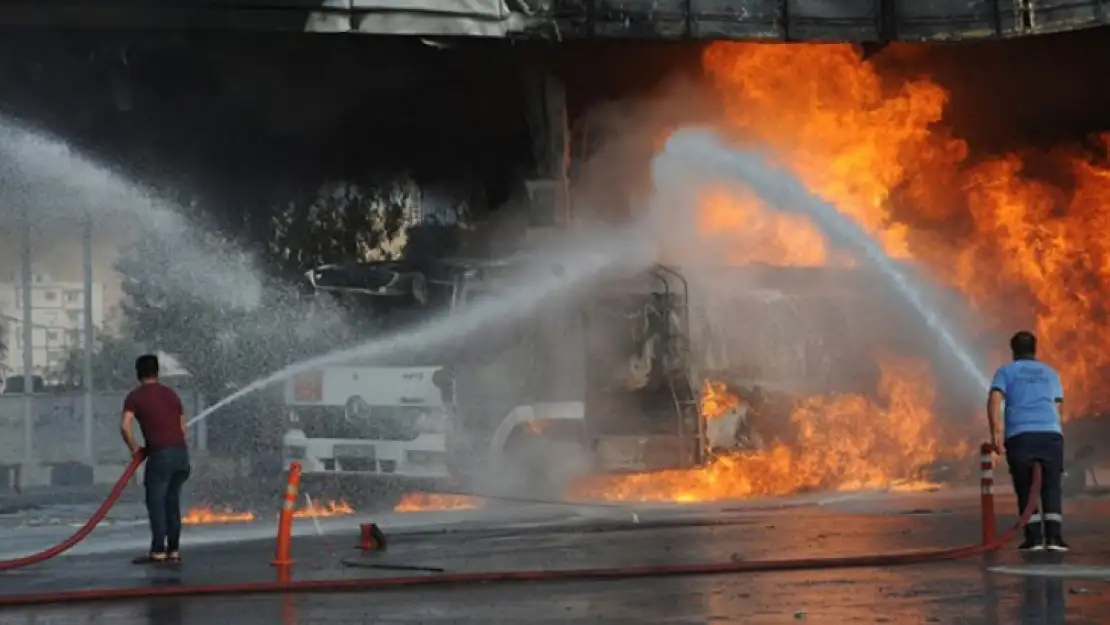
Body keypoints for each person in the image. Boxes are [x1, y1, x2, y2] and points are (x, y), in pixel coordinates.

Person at [987, 331, 1068, 552]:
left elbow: (995, 399)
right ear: (1035, 349)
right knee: (1051, 487)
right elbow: (1058, 405)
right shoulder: (1051, 373)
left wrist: (996, 434)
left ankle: (1033, 539)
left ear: (1013, 350)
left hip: (1020, 436)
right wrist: (1055, 430)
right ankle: (1054, 538)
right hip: (1051, 435)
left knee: (1025, 487)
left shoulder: (1005, 371)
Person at [120, 354, 191, 564]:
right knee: (172, 502)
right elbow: (182, 426)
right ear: (157, 372)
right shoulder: (171, 394)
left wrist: (135, 449)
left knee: (157, 503)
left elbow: (125, 426)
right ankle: (174, 551)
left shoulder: (135, 396)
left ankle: (158, 550)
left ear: (137, 373)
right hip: (181, 455)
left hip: (160, 455)